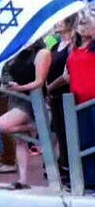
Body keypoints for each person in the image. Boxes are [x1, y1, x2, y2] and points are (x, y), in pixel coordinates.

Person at [0, 39, 52, 190]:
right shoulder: (18, 53)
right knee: (20, 141)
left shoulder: (42, 53)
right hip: (16, 97)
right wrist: (8, 84)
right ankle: (23, 179)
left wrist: (19, 88)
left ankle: (34, 126)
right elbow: (6, 72)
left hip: (33, 99)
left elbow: (39, 81)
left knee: (0, 124)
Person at [46, 15, 76, 183]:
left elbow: (68, 75)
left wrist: (49, 88)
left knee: (69, 133)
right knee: (60, 133)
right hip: (55, 97)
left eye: (61, 20)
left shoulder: (73, 45)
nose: (56, 22)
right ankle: (64, 166)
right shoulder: (56, 45)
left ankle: (71, 169)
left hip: (67, 96)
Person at [67, 12, 95, 190]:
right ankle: (89, 180)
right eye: (81, 23)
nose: (84, 25)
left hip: (93, 101)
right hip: (77, 103)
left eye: (88, 22)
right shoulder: (74, 49)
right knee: (84, 141)